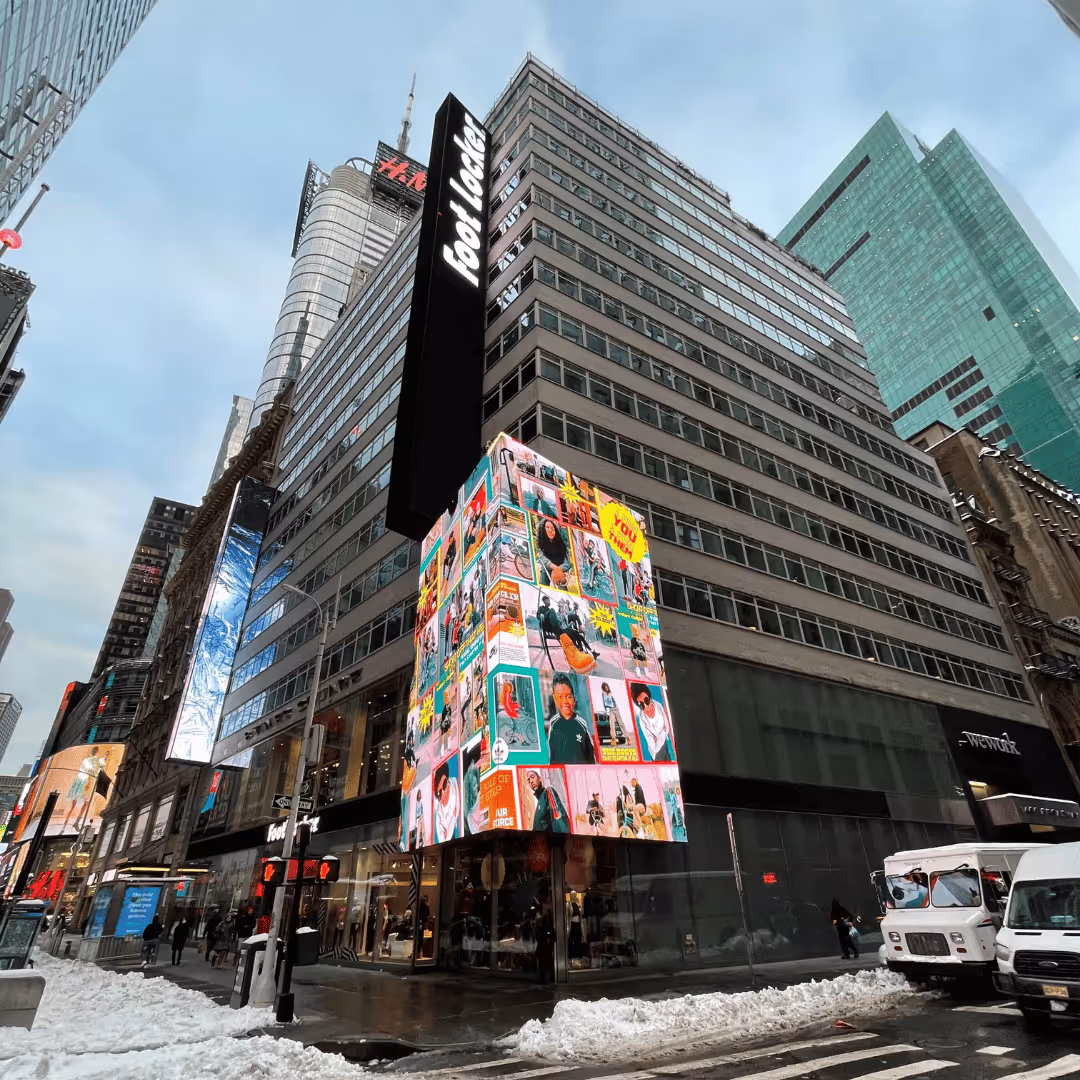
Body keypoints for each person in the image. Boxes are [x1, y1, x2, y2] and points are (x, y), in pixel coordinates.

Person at [537, 595, 595, 674]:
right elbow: (539, 617)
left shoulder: (552, 612)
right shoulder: (542, 608)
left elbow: (560, 620)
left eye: (548, 600)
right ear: (544, 602)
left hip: (555, 628)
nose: (548, 601)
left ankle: (575, 655)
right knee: (553, 612)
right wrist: (541, 615)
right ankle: (574, 656)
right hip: (548, 626)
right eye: (546, 600)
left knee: (568, 633)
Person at [546, 675, 596, 764]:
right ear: (555, 699)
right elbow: (552, 756)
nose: (565, 701)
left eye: (568, 697)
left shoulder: (582, 724)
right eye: (560, 697)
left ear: (574, 698)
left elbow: (590, 757)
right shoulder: (554, 724)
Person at [629, 683, 673, 762]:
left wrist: (658, 738)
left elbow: (667, 728)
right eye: (641, 705)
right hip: (656, 754)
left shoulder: (658, 706)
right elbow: (652, 745)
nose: (646, 707)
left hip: (664, 746)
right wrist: (662, 733)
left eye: (646, 700)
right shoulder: (642, 719)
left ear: (650, 698)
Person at [434, 763, 460, 844]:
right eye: (439, 792)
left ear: (448, 780)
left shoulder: (455, 787)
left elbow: (454, 816)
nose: (443, 793)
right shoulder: (437, 807)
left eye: (444, 784)